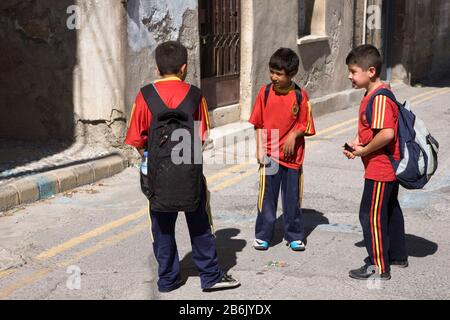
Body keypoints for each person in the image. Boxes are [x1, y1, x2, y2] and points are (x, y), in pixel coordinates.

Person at [125, 41, 240, 293]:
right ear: (184, 67)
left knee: (162, 226)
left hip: (157, 175)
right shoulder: (196, 95)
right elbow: (202, 136)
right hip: (189, 171)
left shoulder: (144, 95)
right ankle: (210, 276)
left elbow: (136, 139)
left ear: (157, 69)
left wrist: (153, 159)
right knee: (199, 222)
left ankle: (167, 279)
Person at [343, 44, 408, 281]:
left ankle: (379, 267)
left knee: (370, 215)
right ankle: (398, 255)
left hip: (381, 168)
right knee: (389, 210)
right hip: (385, 165)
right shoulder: (373, 93)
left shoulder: (379, 98)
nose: (349, 76)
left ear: (370, 71)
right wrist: (356, 143)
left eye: (353, 71)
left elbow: (386, 134)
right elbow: (372, 129)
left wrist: (363, 152)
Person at [248, 48, 316, 252]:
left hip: (293, 158)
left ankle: (294, 234)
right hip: (269, 156)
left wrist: (294, 135)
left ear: (291, 74)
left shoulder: (300, 96)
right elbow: (258, 123)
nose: (274, 77)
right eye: (272, 72)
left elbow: (306, 125)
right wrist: (259, 149)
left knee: (292, 198)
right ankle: (263, 235)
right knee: (266, 198)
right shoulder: (265, 92)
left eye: (279, 74)